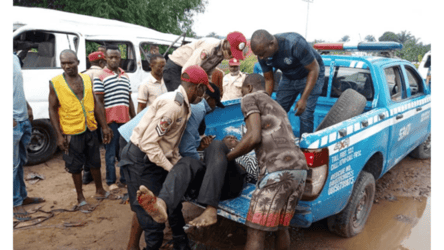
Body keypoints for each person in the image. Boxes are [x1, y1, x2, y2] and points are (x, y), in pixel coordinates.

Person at [119, 65, 214, 250]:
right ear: (198, 87)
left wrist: (178, 166)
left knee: (172, 201)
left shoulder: (184, 105)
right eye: (203, 91)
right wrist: (172, 169)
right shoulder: (174, 106)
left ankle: (180, 242)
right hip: (142, 160)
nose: (203, 96)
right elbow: (148, 144)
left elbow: (172, 143)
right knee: (152, 222)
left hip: (155, 158)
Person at [226, 73, 308, 250]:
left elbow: (254, 136)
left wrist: (228, 157)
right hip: (300, 170)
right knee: (281, 228)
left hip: (277, 172)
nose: (242, 94)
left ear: (248, 87)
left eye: (241, 90)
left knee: (256, 231)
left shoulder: (249, 98)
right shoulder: (277, 105)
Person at [48, 50, 117, 212]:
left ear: (78, 62)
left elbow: (96, 104)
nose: (67, 66)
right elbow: (51, 109)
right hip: (71, 130)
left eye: (70, 62)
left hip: (90, 127)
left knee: (94, 161)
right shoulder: (55, 82)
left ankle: (100, 190)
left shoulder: (87, 78)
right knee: (75, 166)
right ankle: (80, 198)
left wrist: (105, 126)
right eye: (63, 63)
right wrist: (59, 135)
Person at [250, 29, 325, 137]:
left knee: (305, 114)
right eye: (259, 55)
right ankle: (278, 142)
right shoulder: (262, 53)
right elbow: (269, 79)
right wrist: (264, 100)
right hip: (289, 76)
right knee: (278, 110)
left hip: (311, 74)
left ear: (272, 44)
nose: (261, 58)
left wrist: (303, 99)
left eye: (262, 54)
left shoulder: (294, 43)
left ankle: (305, 148)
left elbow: (314, 69)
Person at [94, 45, 136, 189]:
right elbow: (98, 103)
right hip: (110, 123)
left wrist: (134, 119)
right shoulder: (99, 76)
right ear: (105, 58)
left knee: (124, 152)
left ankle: (124, 179)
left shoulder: (125, 75)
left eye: (116, 57)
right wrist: (104, 126)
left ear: (120, 58)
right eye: (110, 57)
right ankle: (111, 181)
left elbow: (129, 99)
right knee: (110, 153)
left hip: (125, 122)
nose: (114, 60)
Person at [13, 54, 45, 221]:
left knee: (20, 163)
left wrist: (27, 107)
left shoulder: (13, 58)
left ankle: (21, 196)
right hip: (12, 121)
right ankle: (14, 203)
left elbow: (16, 88)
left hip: (22, 119)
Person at [163, 31, 247, 92]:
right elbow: (187, 70)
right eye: (231, 53)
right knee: (182, 100)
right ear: (225, 44)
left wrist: (209, 90)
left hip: (186, 70)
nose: (231, 57)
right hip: (175, 67)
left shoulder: (220, 55)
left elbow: (207, 73)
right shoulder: (209, 48)